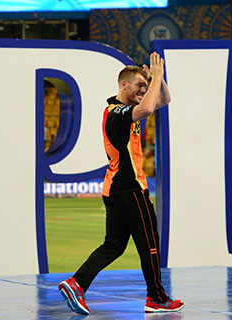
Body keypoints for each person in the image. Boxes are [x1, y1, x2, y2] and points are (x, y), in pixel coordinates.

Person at [58, 52, 184, 315]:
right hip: (130, 188)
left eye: (145, 86)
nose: (144, 89)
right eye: (140, 85)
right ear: (123, 85)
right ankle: (156, 298)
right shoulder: (118, 113)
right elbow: (149, 107)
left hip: (116, 188)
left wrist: (157, 81)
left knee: (114, 245)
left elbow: (164, 100)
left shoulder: (124, 112)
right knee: (149, 243)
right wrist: (157, 75)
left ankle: (76, 283)